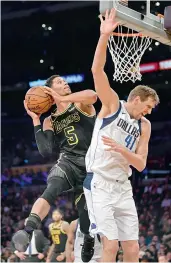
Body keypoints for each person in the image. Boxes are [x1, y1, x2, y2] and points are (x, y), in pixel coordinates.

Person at [83, 8, 160, 263]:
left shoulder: (144, 126)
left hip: (123, 187)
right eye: (147, 106)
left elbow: (140, 164)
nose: (148, 112)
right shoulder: (113, 105)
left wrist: (121, 150)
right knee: (110, 246)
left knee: (132, 249)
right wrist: (104, 36)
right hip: (100, 183)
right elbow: (97, 72)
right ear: (136, 99)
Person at [12, 74, 97, 262]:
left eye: (64, 81)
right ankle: (28, 231)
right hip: (68, 162)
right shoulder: (50, 120)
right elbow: (45, 151)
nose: (65, 83)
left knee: (85, 214)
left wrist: (63, 98)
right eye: (59, 82)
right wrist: (35, 119)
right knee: (51, 188)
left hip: (91, 164)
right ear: (49, 90)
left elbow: (93, 96)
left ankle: (88, 237)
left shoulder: (80, 104)